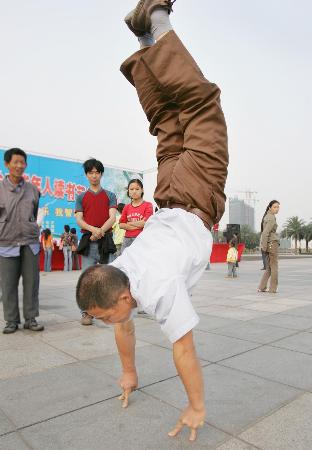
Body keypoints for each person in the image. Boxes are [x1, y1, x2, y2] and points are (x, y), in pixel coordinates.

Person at [76, 1, 228, 442]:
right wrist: (129, 373)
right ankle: (144, 38)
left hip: (195, 193)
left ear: (123, 293)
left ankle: (156, 19)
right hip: (170, 191)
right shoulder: (121, 272)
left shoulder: (158, 288)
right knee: (166, 122)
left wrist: (196, 406)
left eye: (105, 315)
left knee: (201, 105)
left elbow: (184, 350)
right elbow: (122, 322)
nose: (111, 322)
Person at [0, 148, 44, 334]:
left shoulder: (33, 190)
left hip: (29, 242)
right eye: (15, 162)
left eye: (22, 162)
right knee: (8, 284)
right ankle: (11, 320)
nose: (19, 165)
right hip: (7, 242)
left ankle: (31, 318)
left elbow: (33, 215)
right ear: (7, 164)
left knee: (32, 282)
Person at [75, 158, 117, 325]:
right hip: (88, 240)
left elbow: (112, 217)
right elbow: (79, 219)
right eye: (90, 172)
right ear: (86, 175)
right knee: (87, 278)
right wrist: (93, 230)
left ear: (101, 174)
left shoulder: (110, 195)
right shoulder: (81, 196)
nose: (94, 175)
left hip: (106, 240)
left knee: (108, 276)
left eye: (97, 172)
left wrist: (100, 231)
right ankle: (86, 312)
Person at [119, 179, 153, 253]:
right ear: (128, 191)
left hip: (141, 239)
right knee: (124, 262)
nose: (134, 191)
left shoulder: (148, 205)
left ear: (142, 190)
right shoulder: (126, 207)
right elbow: (121, 224)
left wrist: (129, 223)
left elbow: (145, 223)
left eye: (137, 189)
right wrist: (138, 225)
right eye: (131, 189)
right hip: (127, 240)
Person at [258, 200, 280, 293]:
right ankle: (273, 288)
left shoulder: (267, 216)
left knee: (269, 268)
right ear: (270, 207)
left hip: (268, 244)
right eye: (275, 207)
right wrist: (264, 246)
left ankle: (262, 287)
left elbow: (264, 233)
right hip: (272, 243)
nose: (277, 209)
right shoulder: (271, 218)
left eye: (278, 207)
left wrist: (264, 246)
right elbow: (265, 232)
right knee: (274, 267)